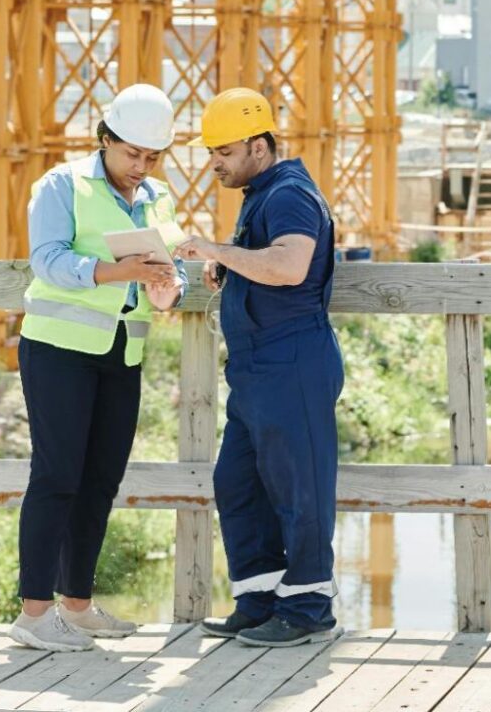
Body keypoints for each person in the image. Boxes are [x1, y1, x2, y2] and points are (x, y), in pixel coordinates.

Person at [9, 84, 187, 652]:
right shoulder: (62, 184)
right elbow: (49, 260)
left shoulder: (157, 196)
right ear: (105, 139)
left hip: (122, 352)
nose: (142, 166)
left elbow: (168, 272)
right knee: (57, 476)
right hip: (59, 348)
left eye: (152, 157)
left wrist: (167, 286)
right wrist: (119, 270)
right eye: (132, 153)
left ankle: (77, 606)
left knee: (99, 483)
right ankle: (34, 614)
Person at [174, 87, 344, 648]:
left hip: (291, 360)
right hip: (256, 369)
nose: (214, 162)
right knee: (239, 481)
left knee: (301, 486)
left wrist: (218, 251)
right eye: (211, 151)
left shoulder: (290, 193)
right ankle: (260, 599)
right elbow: (265, 262)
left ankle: (310, 608)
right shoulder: (261, 192)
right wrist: (233, 268)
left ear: (259, 145)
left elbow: (291, 266)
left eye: (223, 151)